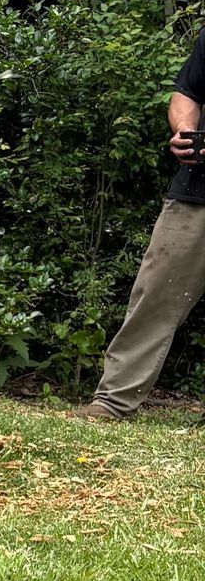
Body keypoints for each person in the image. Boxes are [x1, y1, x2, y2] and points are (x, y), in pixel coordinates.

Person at [80, 24, 205, 420]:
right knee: (155, 293)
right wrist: (185, 130)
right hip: (197, 192)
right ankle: (113, 401)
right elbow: (187, 93)